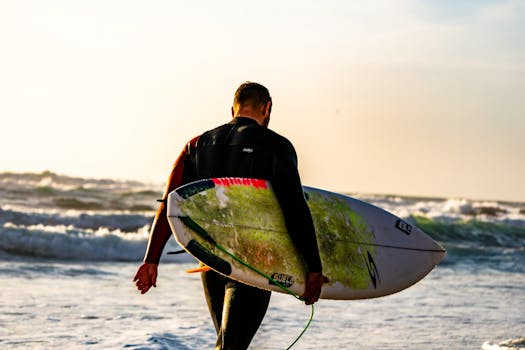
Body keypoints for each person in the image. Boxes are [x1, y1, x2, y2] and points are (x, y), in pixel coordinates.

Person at [133, 82, 327, 350]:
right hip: (255, 261)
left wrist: (151, 260)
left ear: (233, 108)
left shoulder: (196, 145)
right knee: (230, 346)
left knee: (228, 343)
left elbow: (170, 204)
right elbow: (294, 209)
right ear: (267, 108)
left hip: (211, 260)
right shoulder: (276, 146)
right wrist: (313, 268)